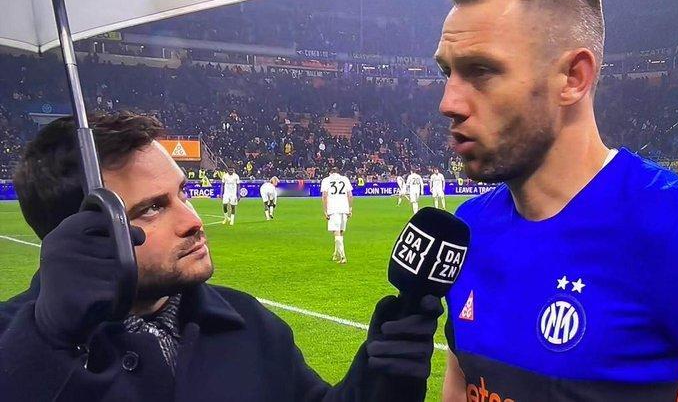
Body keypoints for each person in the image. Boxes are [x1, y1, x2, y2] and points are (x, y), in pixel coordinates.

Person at [434, 0, 678, 400]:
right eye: (448, 72)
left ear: (573, 77)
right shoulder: (469, 228)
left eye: (481, 71)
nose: (449, 102)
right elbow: (461, 385)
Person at [0, 113, 444, 401]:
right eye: (152, 208)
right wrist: (49, 343)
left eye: (183, 193)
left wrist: (381, 376)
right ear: (79, 231)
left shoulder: (246, 321)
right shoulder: (14, 344)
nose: (193, 221)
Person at [321, 167, 353, 264]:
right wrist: (350, 208)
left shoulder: (326, 180)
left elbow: (324, 196)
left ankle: (343, 257)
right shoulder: (345, 179)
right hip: (344, 208)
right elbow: (350, 195)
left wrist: (325, 210)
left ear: (330, 173)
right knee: (340, 232)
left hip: (333, 209)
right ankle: (335, 254)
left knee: (336, 232)